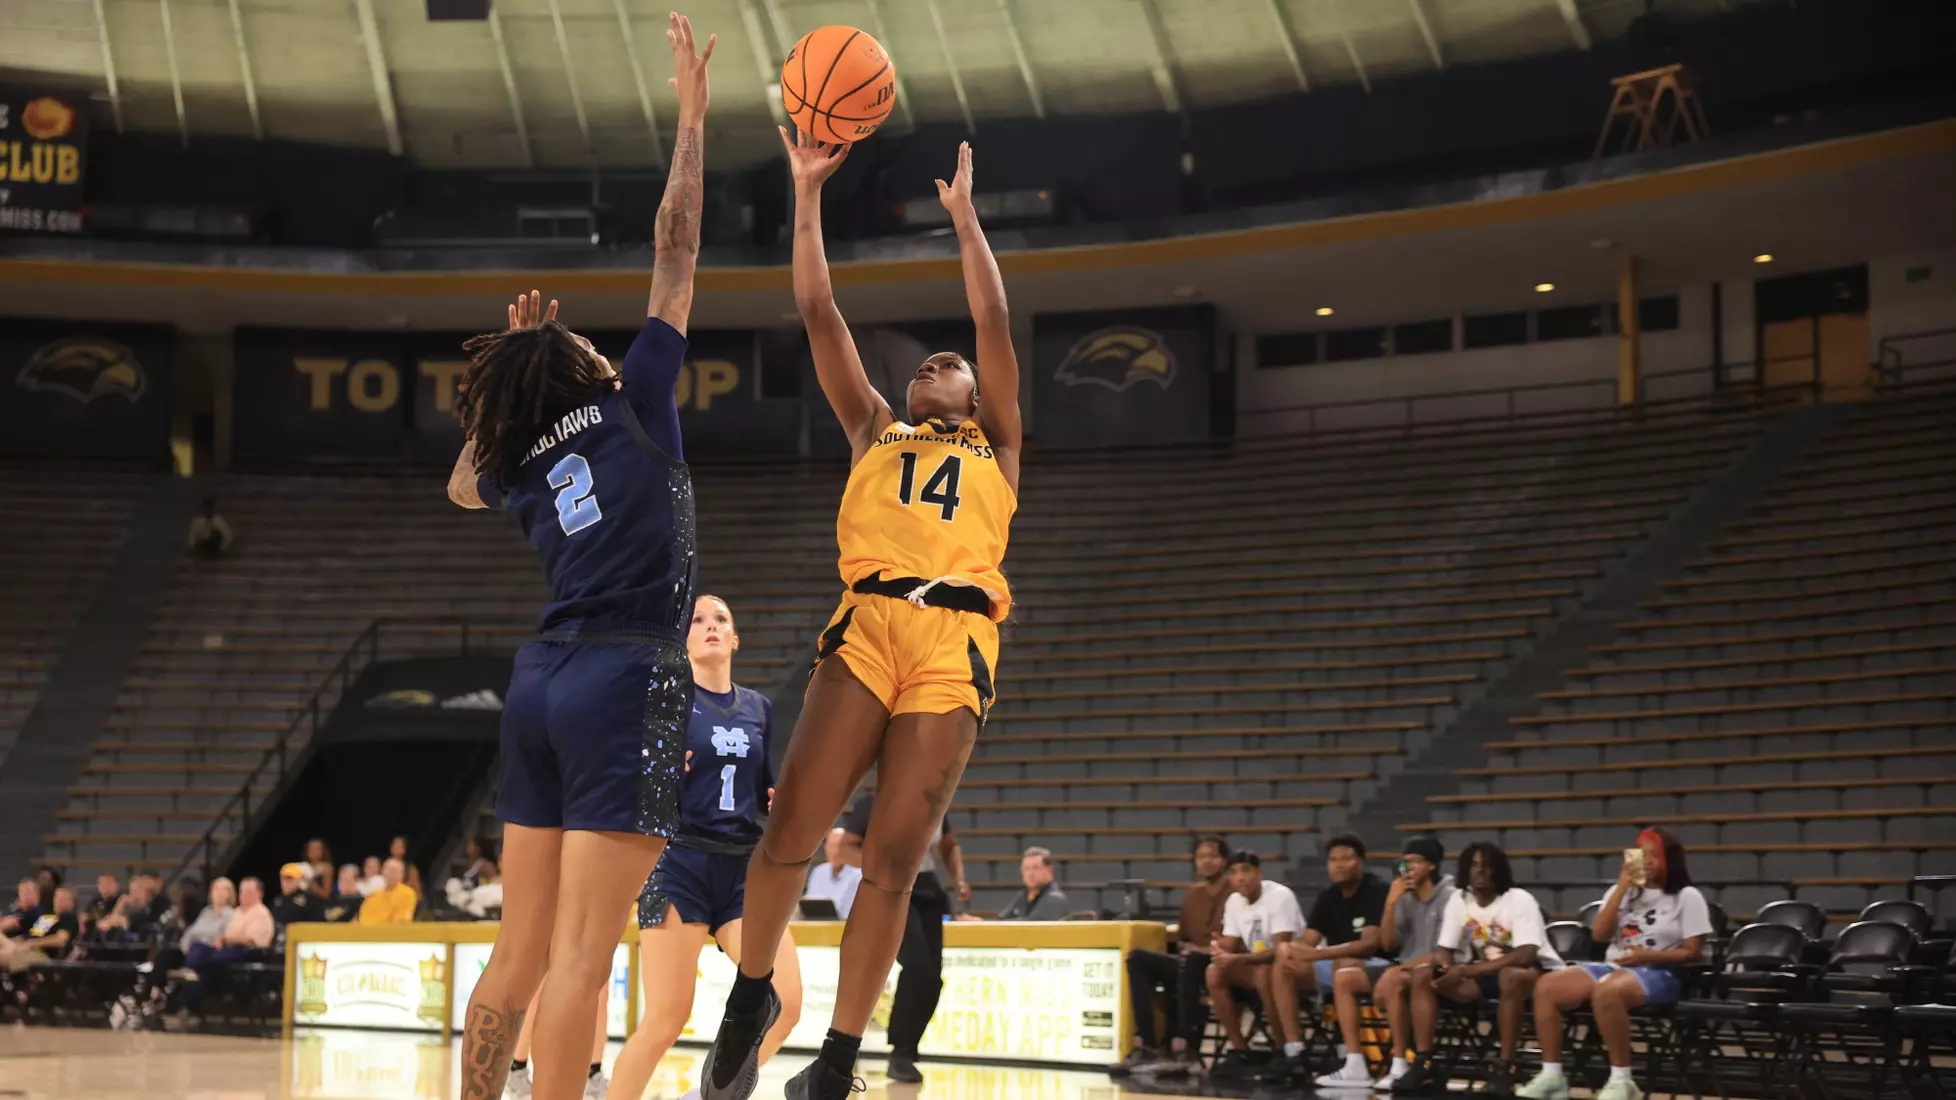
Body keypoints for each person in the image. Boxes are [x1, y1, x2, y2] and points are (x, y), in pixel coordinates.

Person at [701, 131, 1023, 1100]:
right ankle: (751, 995)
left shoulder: (999, 445)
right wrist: (806, 194)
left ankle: (839, 1058)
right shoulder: (874, 426)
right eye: (931, 359)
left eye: (954, 363)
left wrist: (966, 223)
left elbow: (995, 317)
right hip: (870, 623)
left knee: (894, 857)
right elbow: (816, 305)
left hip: (956, 639)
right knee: (791, 830)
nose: (942, 357)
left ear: (974, 400)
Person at [446, 16, 715, 1100]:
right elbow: (678, 249)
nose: (610, 342)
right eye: (591, 345)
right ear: (589, 367)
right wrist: (691, 122)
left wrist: (509, 387)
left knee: (518, 949)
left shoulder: (512, 463)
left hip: (540, 679)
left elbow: (460, 483)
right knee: (582, 957)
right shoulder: (635, 397)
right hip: (624, 670)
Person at [607, 595, 805, 1100]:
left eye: (721, 620)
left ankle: (709, 1095)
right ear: (684, 638)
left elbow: (764, 789)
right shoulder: (667, 700)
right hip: (679, 862)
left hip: (744, 870)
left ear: (735, 638)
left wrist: (779, 801)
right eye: (697, 620)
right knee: (667, 1017)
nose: (711, 626)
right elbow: (633, 783)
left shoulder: (758, 708)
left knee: (784, 1001)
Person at [1517, 829, 1711, 1100]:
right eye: (1642, 855)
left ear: (1670, 860)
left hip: (1663, 971)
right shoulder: (1621, 892)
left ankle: (1623, 1080)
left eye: (1655, 855)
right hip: (1616, 965)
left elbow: (1693, 952)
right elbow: (1599, 935)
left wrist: (1648, 957)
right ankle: (1552, 1075)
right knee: (1547, 986)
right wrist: (1621, 888)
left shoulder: (1687, 896)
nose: (1648, 861)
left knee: (1607, 990)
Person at [1402, 842, 1561, 1095]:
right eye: (1474, 865)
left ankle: (1506, 1066)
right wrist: (1446, 969)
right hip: (1484, 974)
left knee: (1510, 976)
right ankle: (1424, 1061)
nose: (1480, 871)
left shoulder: (1518, 899)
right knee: (1422, 973)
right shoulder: (1460, 899)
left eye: (1487, 866)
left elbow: (1525, 955)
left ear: (1498, 870)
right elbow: (1445, 948)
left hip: (1536, 975)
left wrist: (1466, 971)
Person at [832, 790, 969, 1084]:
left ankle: (908, 1048)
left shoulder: (936, 801)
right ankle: (900, 1053)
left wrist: (958, 879)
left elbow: (949, 844)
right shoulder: (875, 802)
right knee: (918, 967)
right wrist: (883, 868)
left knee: (932, 977)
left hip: (928, 888)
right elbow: (845, 849)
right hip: (891, 888)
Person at [1255, 834, 1392, 1086]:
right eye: (1333, 860)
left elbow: (1369, 945)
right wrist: (1290, 949)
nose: (1339, 865)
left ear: (1361, 862)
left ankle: (1350, 1054)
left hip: (1378, 966)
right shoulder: (1328, 897)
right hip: (1337, 965)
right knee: (1284, 963)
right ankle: (1295, 1049)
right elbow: (1308, 941)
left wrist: (1317, 954)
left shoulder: (1377, 890)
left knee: (1344, 965)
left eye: (1346, 859)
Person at [1113, 834, 1233, 1077]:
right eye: (1201, 857)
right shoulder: (1192, 896)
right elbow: (1182, 940)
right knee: (1137, 958)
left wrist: (1199, 951)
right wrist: (1186, 948)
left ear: (1224, 861)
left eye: (1212, 856)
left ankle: (1184, 1047)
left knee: (1190, 961)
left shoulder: (1235, 893)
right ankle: (1146, 1043)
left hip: (1221, 964)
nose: (1206, 861)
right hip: (1189, 962)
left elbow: (1234, 944)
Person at [1365, 836, 1457, 1092]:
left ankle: (1398, 1061)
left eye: (1415, 862)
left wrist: (1399, 969)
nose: (1408, 869)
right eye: (1405, 863)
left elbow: (1442, 952)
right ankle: (1352, 1059)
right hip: (1406, 967)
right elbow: (1388, 942)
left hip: (1440, 970)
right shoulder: (1405, 897)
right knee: (1346, 975)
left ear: (1431, 865)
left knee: (1396, 979)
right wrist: (1391, 902)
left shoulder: (1451, 897)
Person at [1206, 851, 1306, 1080]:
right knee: (1213, 972)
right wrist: (1219, 947)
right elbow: (1230, 943)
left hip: (1294, 968)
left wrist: (1235, 959)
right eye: (1233, 872)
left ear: (1259, 872)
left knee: (1264, 972)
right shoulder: (1234, 901)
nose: (1240, 877)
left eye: (1246, 870)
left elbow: (1282, 950)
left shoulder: (1280, 896)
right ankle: (1240, 1050)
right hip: (1258, 965)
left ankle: (1283, 1050)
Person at [182, 877, 275, 1008]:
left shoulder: (261, 913)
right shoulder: (238, 912)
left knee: (209, 963)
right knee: (202, 954)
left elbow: (250, 940)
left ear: (259, 894)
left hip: (251, 952)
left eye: (249, 892)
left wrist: (226, 939)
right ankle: (189, 1001)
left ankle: (188, 998)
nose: (244, 895)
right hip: (230, 949)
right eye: (242, 891)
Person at [0, 885, 79, 971]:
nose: (57, 901)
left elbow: (60, 940)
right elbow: (32, 935)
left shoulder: (69, 917)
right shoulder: (48, 917)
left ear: (71, 902)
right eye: (56, 897)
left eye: (62, 898)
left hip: (42, 955)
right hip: (25, 948)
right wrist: (17, 941)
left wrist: (33, 943)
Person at [994, 847, 1070, 920]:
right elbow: (1001, 921)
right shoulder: (1022, 896)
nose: (1030, 874)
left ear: (1049, 870)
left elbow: (1032, 924)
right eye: (1026, 869)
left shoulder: (1055, 899)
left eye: (1036, 868)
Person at [802, 828, 863, 919]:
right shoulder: (819, 871)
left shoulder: (858, 874)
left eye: (837, 846)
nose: (834, 851)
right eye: (830, 846)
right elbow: (810, 900)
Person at [358, 859, 419, 925]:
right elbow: (362, 918)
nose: (390, 873)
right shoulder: (374, 895)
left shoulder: (407, 893)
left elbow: (402, 921)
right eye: (387, 869)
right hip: (368, 932)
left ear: (401, 875)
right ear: (382, 873)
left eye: (394, 870)